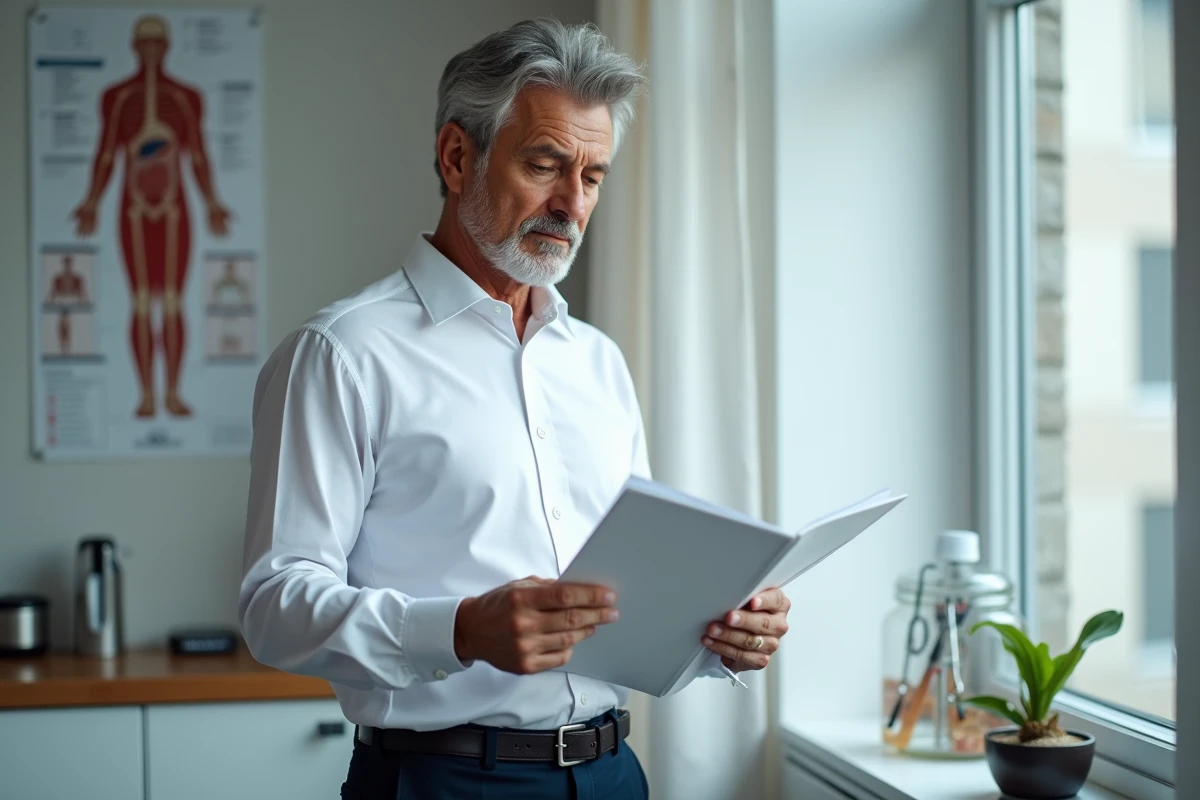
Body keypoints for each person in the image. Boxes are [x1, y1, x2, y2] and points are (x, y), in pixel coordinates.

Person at [238, 19, 792, 800]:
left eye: (594, 177)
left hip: (615, 774)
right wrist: (460, 630)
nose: (571, 204)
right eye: (545, 165)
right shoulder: (342, 354)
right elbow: (275, 608)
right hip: (442, 780)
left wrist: (718, 634)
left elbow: (629, 593)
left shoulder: (597, 361)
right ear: (457, 157)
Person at [73, 14, 231, 418]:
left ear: (166, 47)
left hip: (176, 210)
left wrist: (212, 201)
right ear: (134, 47)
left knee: (174, 302)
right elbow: (107, 152)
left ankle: (173, 394)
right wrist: (92, 200)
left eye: (156, 43)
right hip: (134, 209)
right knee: (142, 302)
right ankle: (146, 395)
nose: (150, 51)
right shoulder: (118, 97)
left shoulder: (185, 97)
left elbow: (197, 152)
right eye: (143, 43)